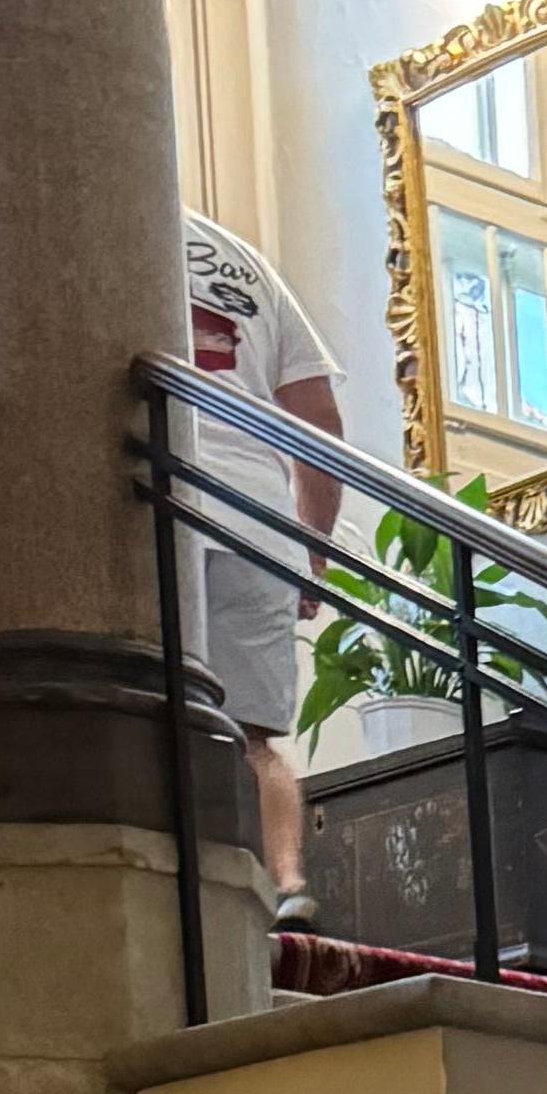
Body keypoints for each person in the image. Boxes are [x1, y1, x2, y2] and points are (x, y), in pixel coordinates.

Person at [180, 207, 347, 907]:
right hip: (258, 515)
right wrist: (309, 549)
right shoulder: (242, 260)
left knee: (156, 705)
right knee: (254, 736)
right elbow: (319, 422)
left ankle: (191, 881)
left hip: (171, 490)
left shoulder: (104, 218)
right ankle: (288, 884)